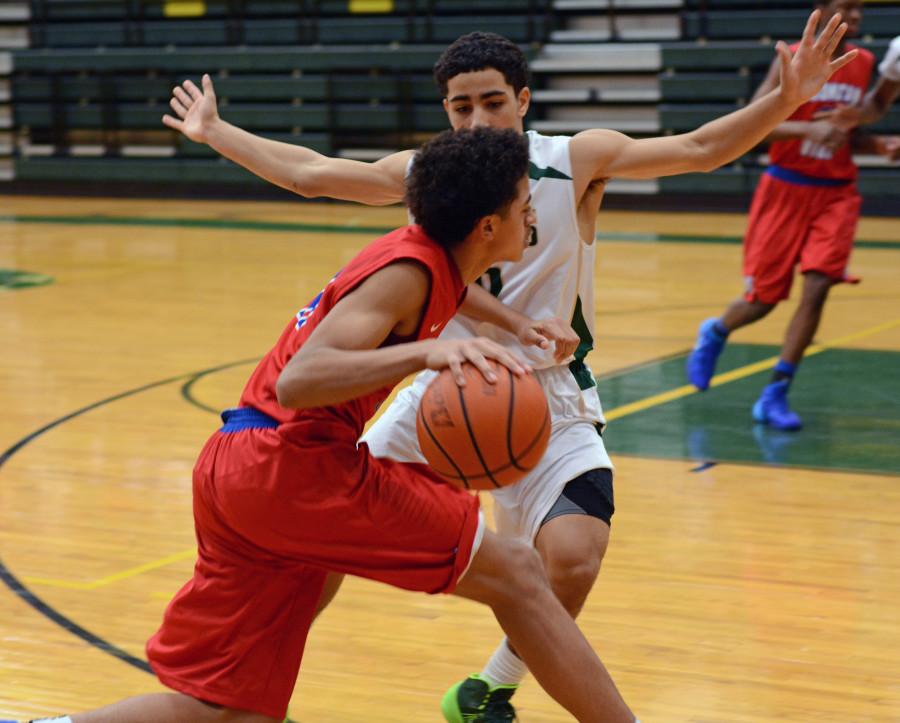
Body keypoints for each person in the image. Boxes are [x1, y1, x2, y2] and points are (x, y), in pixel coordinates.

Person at [160, 12, 854, 721]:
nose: (478, 118)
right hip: (447, 388)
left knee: (574, 556)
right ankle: (247, 681)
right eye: (461, 106)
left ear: (522, 99)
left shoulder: (575, 158)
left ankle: (488, 686)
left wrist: (785, 100)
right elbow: (312, 174)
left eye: (493, 101)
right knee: (321, 545)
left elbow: (702, 147)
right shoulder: (433, 175)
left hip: (547, 392)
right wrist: (214, 131)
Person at [26, 129, 640, 723]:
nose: (531, 215)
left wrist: (513, 324)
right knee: (516, 574)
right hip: (291, 469)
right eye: (523, 206)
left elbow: (449, 292)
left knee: (228, 711)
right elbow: (302, 378)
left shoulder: (425, 256)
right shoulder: (412, 272)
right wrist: (424, 354)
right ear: (487, 227)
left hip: (237, 468)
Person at [685, 0, 899, 432]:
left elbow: (846, 131)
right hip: (785, 187)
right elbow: (749, 122)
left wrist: (877, 146)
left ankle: (776, 392)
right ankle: (718, 331)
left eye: (860, 9)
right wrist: (806, 129)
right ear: (823, 10)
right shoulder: (793, 58)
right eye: (847, 7)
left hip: (837, 193)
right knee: (762, 300)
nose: (857, 17)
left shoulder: (866, 62)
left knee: (819, 286)